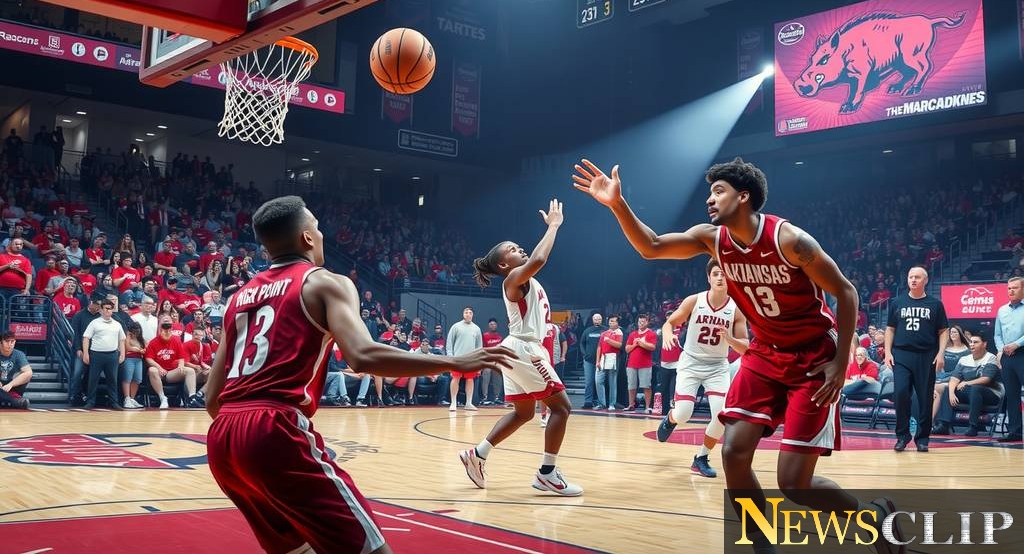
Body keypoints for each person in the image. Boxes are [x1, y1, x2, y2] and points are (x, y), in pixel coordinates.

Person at [575, 157, 902, 553]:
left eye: (719, 191)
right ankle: (762, 544)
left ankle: (874, 518)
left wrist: (839, 361)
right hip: (765, 353)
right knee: (732, 453)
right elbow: (652, 247)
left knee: (794, 484)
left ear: (743, 196)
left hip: (812, 356)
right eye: (710, 192)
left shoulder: (789, 240)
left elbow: (846, 292)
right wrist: (617, 205)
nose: (710, 200)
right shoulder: (712, 239)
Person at [203, 196, 514, 554]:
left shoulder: (238, 298)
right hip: (275, 427)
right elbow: (363, 355)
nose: (321, 235)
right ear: (307, 237)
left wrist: (244, 433)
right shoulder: (324, 282)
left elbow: (212, 398)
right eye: (318, 227)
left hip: (223, 439)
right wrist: (453, 362)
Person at [460, 199, 582, 496]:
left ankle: (478, 453)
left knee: (524, 413)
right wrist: (554, 226)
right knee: (562, 408)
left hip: (518, 349)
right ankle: (547, 473)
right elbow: (539, 259)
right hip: (524, 349)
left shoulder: (525, 279)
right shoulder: (514, 278)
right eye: (513, 250)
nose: (520, 250)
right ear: (504, 265)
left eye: (517, 246)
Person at [656, 258, 749, 478]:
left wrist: (730, 339)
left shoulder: (736, 309)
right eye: (716, 274)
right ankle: (671, 418)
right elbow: (669, 323)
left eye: (724, 274)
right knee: (684, 414)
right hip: (691, 362)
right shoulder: (694, 300)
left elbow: (745, 346)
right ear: (709, 278)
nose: (720, 278)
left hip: (717, 366)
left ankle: (701, 458)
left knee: (722, 416)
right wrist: (667, 334)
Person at [883, 266, 948, 452]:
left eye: (917, 277)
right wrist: (887, 352)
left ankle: (922, 438)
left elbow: (943, 331)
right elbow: (890, 329)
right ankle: (902, 436)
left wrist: (941, 353)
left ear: (925, 280)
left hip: (927, 355)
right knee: (901, 393)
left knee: (925, 398)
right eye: (911, 276)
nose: (913, 280)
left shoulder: (935, 304)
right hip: (901, 354)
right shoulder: (897, 302)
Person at [931, 332, 1000, 437]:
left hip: (990, 393)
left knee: (975, 389)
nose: (972, 344)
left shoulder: (990, 358)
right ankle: (944, 425)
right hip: (969, 391)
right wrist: (951, 393)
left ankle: (973, 426)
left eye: (975, 342)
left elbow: (986, 379)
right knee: (947, 389)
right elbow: (954, 379)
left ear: (984, 344)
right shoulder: (964, 359)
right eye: (971, 342)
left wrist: (966, 382)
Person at [995, 276, 1024, 442]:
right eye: (1009, 288)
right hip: (1007, 356)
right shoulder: (1001, 310)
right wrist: (1002, 349)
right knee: (1012, 395)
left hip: (1022, 353)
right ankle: (1015, 432)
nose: (1011, 291)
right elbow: (997, 335)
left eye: (1015, 287)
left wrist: (1016, 344)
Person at [0, 331, 32, 409]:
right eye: (7, 341)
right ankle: (15, 401)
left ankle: (9, 400)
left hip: (11, 386)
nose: (10, 344)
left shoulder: (19, 354)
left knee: (26, 374)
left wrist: (10, 384)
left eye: (12, 341)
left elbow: (28, 373)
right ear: (0, 342)